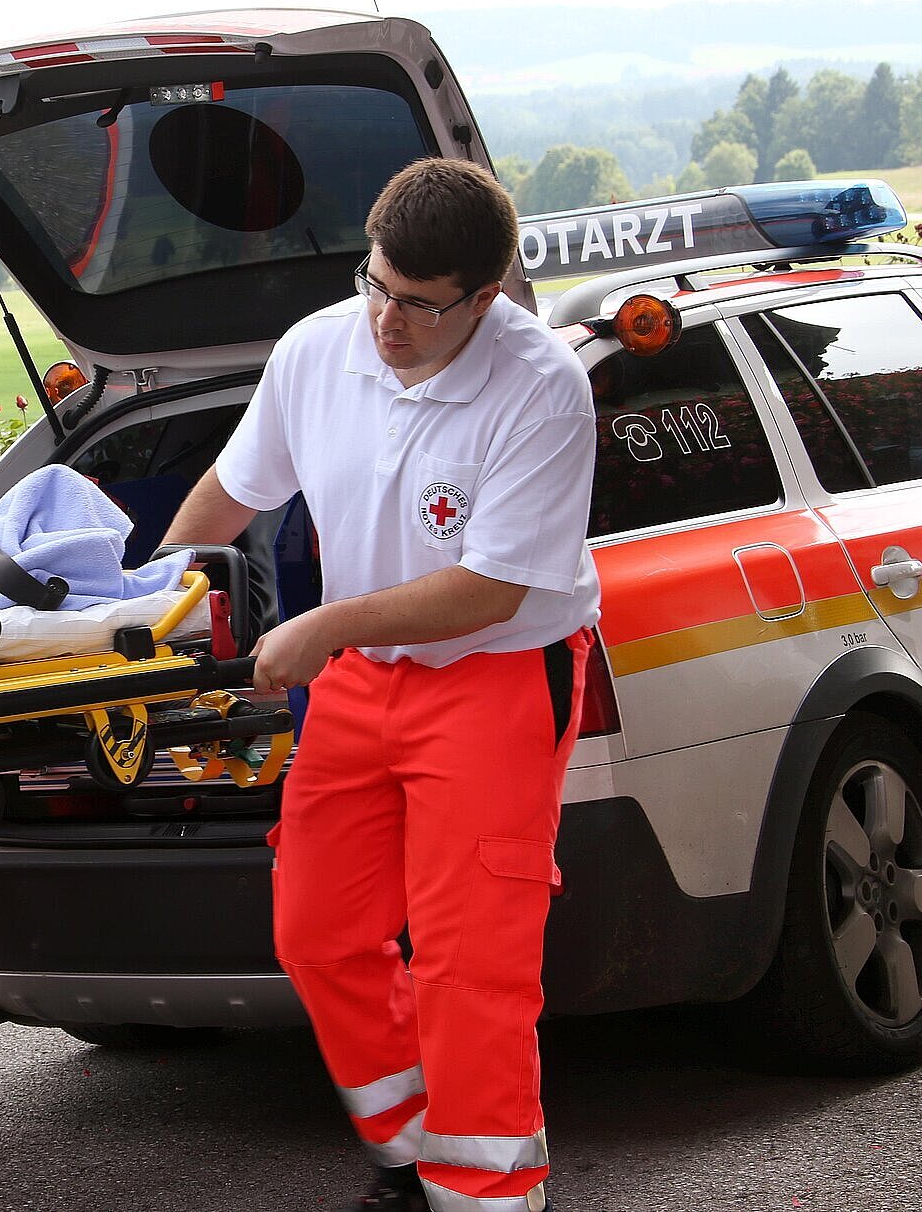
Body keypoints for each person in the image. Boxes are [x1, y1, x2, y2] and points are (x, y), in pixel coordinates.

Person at [161, 158, 598, 1212]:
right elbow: (230, 493)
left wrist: (324, 627)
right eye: (375, 284)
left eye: (417, 304)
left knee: (469, 961)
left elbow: (489, 590)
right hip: (364, 676)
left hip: (496, 672)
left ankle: (485, 1197)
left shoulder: (542, 387)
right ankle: (409, 1154)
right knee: (317, 932)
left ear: (482, 299)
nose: (385, 321)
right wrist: (152, 614)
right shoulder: (317, 349)